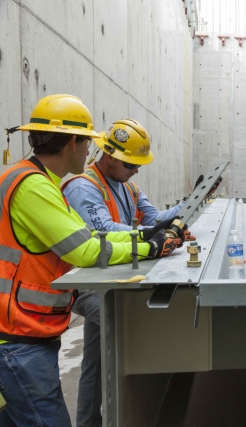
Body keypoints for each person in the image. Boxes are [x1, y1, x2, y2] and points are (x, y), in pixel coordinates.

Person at [0, 95, 181, 427]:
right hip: (18, 339)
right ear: (72, 143)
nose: (90, 151)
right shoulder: (34, 187)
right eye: (88, 143)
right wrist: (149, 247)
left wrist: (144, 238)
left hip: (24, 334)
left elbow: (90, 237)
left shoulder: (42, 183)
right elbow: (84, 249)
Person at [61, 119, 191, 427]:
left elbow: (156, 218)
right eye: (131, 163)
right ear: (109, 155)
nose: (136, 170)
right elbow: (103, 231)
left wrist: (192, 204)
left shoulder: (128, 185)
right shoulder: (84, 187)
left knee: (94, 362)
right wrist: (156, 237)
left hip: (110, 276)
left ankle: (89, 423)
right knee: (129, 329)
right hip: (86, 287)